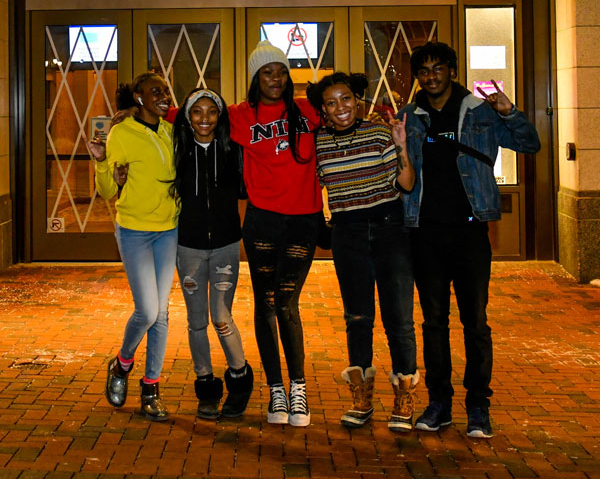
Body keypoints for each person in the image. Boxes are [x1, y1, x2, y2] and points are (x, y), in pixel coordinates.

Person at [397, 42, 540, 439]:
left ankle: (478, 405)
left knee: (475, 322)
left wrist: (509, 112)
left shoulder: (479, 110)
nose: (431, 76)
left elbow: (529, 144)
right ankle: (438, 403)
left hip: (470, 230)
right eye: (424, 70)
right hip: (424, 232)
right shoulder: (409, 116)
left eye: (438, 68)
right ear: (418, 76)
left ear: (453, 70)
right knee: (434, 323)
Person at [306, 72, 419, 431]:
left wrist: (400, 144)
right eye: (331, 102)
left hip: (390, 229)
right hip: (347, 232)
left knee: (398, 318)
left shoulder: (378, 133)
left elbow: (407, 184)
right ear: (323, 109)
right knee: (357, 318)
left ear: (357, 100)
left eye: (346, 99)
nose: (340, 108)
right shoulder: (318, 143)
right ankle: (362, 397)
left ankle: (404, 396)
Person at [228, 42, 322, 427]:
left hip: (303, 220)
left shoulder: (308, 111)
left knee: (287, 303)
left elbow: (348, 114)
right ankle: (276, 391)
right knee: (265, 304)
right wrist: (133, 111)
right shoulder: (239, 115)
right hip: (262, 221)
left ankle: (297, 387)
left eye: (281, 71)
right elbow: (186, 115)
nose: (275, 79)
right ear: (255, 77)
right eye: (267, 72)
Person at [89, 72, 179, 421]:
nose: (164, 96)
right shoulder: (121, 133)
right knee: (148, 311)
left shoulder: (172, 132)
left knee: (163, 313)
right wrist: (100, 162)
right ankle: (122, 363)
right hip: (135, 232)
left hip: (168, 229)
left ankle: (151, 388)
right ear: (139, 98)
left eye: (166, 91)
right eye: (156, 91)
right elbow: (109, 192)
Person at [171, 88, 254, 420]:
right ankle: (205, 384)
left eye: (211, 111)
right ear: (188, 117)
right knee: (195, 321)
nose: (204, 118)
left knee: (220, 316)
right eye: (197, 112)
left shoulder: (233, 149)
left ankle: (239, 376)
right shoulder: (175, 150)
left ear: (220, 116)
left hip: (225, 245)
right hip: (187, 247)